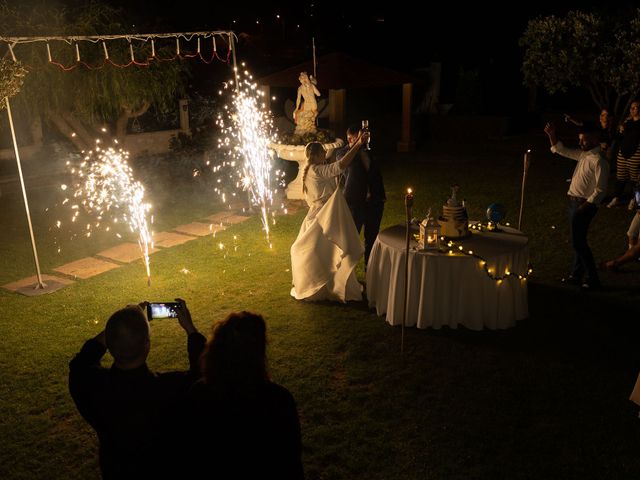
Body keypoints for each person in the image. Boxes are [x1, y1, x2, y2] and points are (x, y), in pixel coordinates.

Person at [68, 299, 205, 479]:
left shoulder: (92, 386)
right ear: (147, 345)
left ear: (109, 343)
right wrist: (191, 329)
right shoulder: (172, 389)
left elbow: (83, 361)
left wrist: (122, 323)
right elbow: (203, 373)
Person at [180, 311, 304, 479]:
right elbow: (291, 463)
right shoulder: (278, 400)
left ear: (217, 349)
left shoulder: (200, 394)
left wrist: (191, 331)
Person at [290, 132, 368, 302]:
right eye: (323, 154)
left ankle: (327, 283)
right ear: (317, 155)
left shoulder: (308, 169)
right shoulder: (316, 170)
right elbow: (340, 165)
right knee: (323, 250)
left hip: (318, 213)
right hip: (324, 216)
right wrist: (358, 145)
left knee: (323, 251)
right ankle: (324, 285)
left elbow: (333, 174)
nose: (325, 156)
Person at [544, 121, 609, 290]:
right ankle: (576, 275)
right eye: (580, 139)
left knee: (577, 243)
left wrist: (584, 206)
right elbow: (561, 150)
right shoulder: (583, 155)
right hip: (575, 203)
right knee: (579, 241)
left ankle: (593, 278)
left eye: (584, 140)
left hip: (584, 205)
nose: (580, 143)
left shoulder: (599, 161)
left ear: (595, 140)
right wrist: (552, 135)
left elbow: (601, 190)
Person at [336, 123, 386, 268]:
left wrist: (381, 195)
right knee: (350, 240)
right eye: (357, 139)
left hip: (374, 203)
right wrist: (357, 145)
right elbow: (344, 165)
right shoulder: (341, 154)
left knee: (372, 240)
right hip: (355, 203)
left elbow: (376, 174)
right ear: (350, 139)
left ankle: (369, 272)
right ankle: (345, 273)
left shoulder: (369, 151)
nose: (361, 141)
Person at [607, 101, 640, 209]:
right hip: (623, 154)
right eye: (631, 107)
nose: (632, 109)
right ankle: (616, 198)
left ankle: (634, 199)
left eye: (635, 107)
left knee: (635, 180)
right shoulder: (627, 122)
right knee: (620, 178)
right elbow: (619, 137)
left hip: (636, 154)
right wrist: (620, 130)